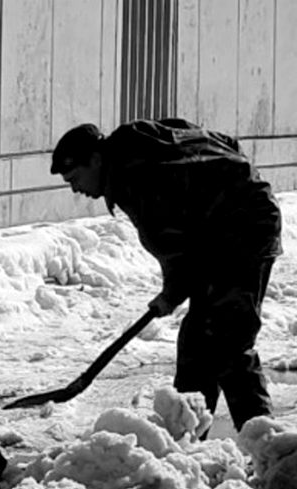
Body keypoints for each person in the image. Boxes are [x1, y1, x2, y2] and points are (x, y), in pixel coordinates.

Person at [50, 118, 282, 432]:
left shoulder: (135, 178)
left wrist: (171, 295)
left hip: (245, 231)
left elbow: (174, 247)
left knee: (228, 341)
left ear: (96, 159)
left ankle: (269, 449)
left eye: (75, 177)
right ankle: (185, 441)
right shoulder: (145, 141)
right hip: (218, 233)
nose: (76, 188)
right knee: (196, 344)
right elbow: (225, 144)